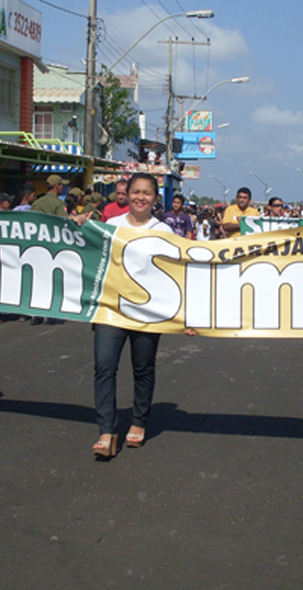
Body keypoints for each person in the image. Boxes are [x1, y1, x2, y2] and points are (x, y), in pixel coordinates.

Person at [92, 173, 195, 458]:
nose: (140, 197)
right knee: (104, 366)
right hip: (112, 310)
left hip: (148, 314)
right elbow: (89, 258)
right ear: (125, 192)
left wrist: (187, 316)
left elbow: (178, 273)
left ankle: (138, 422)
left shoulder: (163, 231)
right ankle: (106, 430)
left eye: (146, 193)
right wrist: (78, 227)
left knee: (143, 368)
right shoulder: (110, 226)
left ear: (155, 197)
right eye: (135, 191)